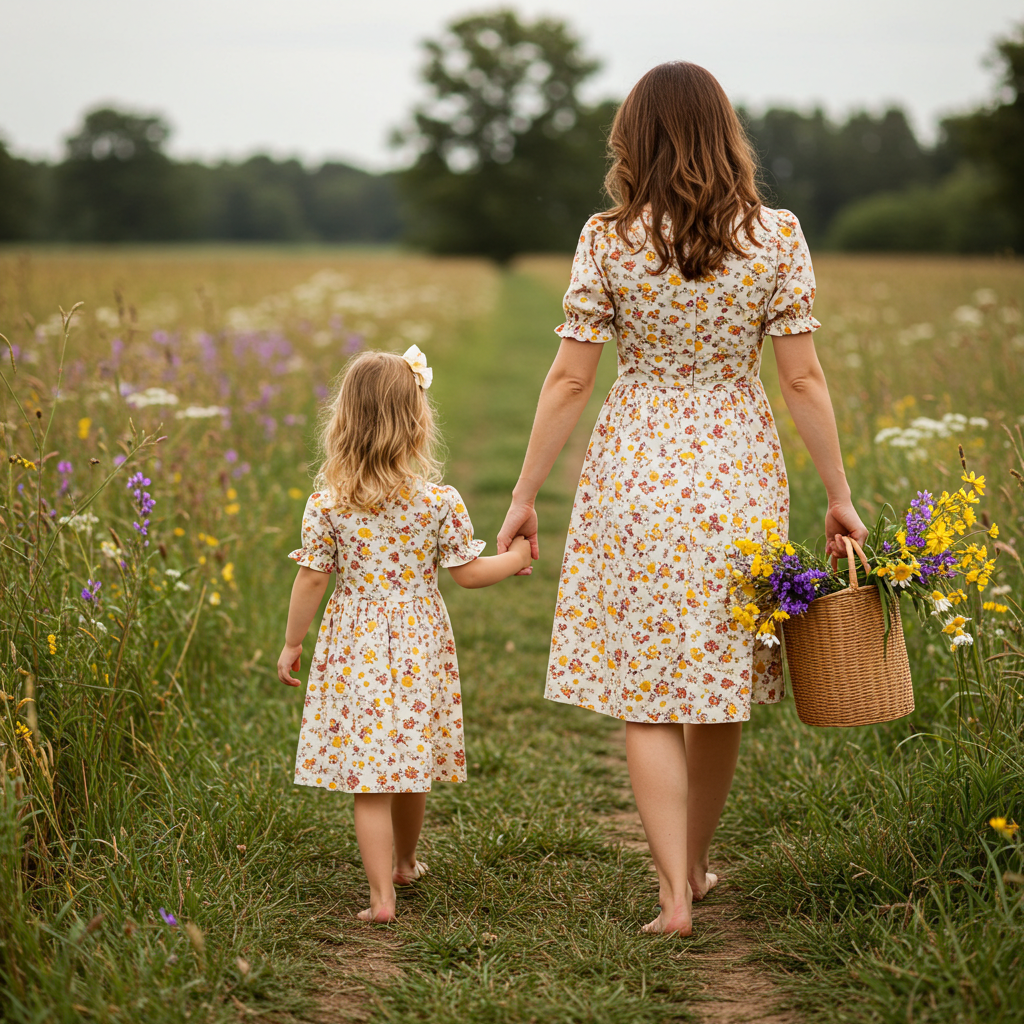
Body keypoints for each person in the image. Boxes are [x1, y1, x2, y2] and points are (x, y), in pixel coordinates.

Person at [496, 62, 867, 936]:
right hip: (738, 473)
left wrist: (523, 494)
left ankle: (669, 894)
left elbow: (567, 383)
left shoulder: (607, 238)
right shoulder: (777, 236)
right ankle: (697, 864)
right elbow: (804, 379)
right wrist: (840, 497)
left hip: (637, 475)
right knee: (717, 685)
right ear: (724, 133)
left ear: (636, 139)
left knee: (650, 696)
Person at [278, 345, 533, 923]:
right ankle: (406, 862)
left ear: (343, 423)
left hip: (354, 645)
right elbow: (468, 575)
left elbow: (313, 580)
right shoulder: (438, 502)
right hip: (419, 640)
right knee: (411, 758)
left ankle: (381, 899)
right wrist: (516, 557)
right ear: (418, 423)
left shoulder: (328, 504)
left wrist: (294, 642)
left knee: (371, 777)